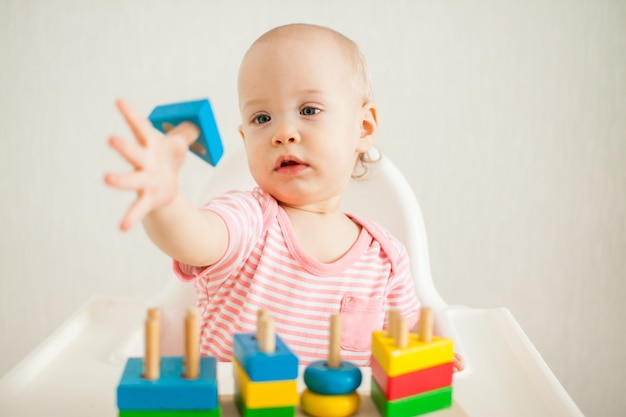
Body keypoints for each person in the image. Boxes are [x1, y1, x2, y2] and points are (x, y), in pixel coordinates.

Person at [105, 23, 420, 366]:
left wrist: (433, 360)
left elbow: (407, 347)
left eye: (309, 110)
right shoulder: (249, 219)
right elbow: (193, 237)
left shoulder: (386, 258)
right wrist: (165, 199)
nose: (283, 132)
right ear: (245, 139)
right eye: (262, 118)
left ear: (364, 128)